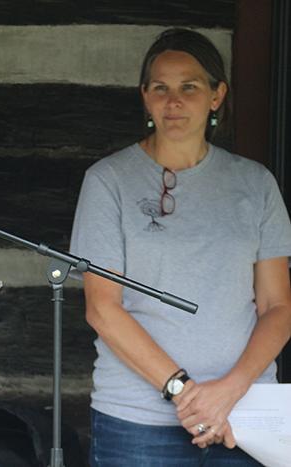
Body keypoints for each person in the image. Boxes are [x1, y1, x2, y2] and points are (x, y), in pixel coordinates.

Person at [70, 28, 291, 466]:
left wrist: (228, 393)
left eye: (189, 87)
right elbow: (102, 308)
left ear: (216, 95)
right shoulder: (108, 181)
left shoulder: (255, 184)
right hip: (137, 421)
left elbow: (277, 307)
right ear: (145, 97)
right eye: (161, 88)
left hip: (244, 416)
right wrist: (187, 394)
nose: (174, 101)